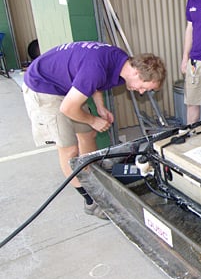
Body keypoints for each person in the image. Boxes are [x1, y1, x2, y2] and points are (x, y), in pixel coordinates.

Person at [22, 41, 166, 219]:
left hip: (66, 88)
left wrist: (100, 107)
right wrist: (93, 120)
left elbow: (96, 83)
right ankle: (90, 201)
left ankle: (90, 178)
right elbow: (68, 108)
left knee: (88, 134)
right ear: (136, 72)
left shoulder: (121, 62)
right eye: (144, 87)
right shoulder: (96, 68)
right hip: (43, 88)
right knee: (69, 149)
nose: (141, 92)